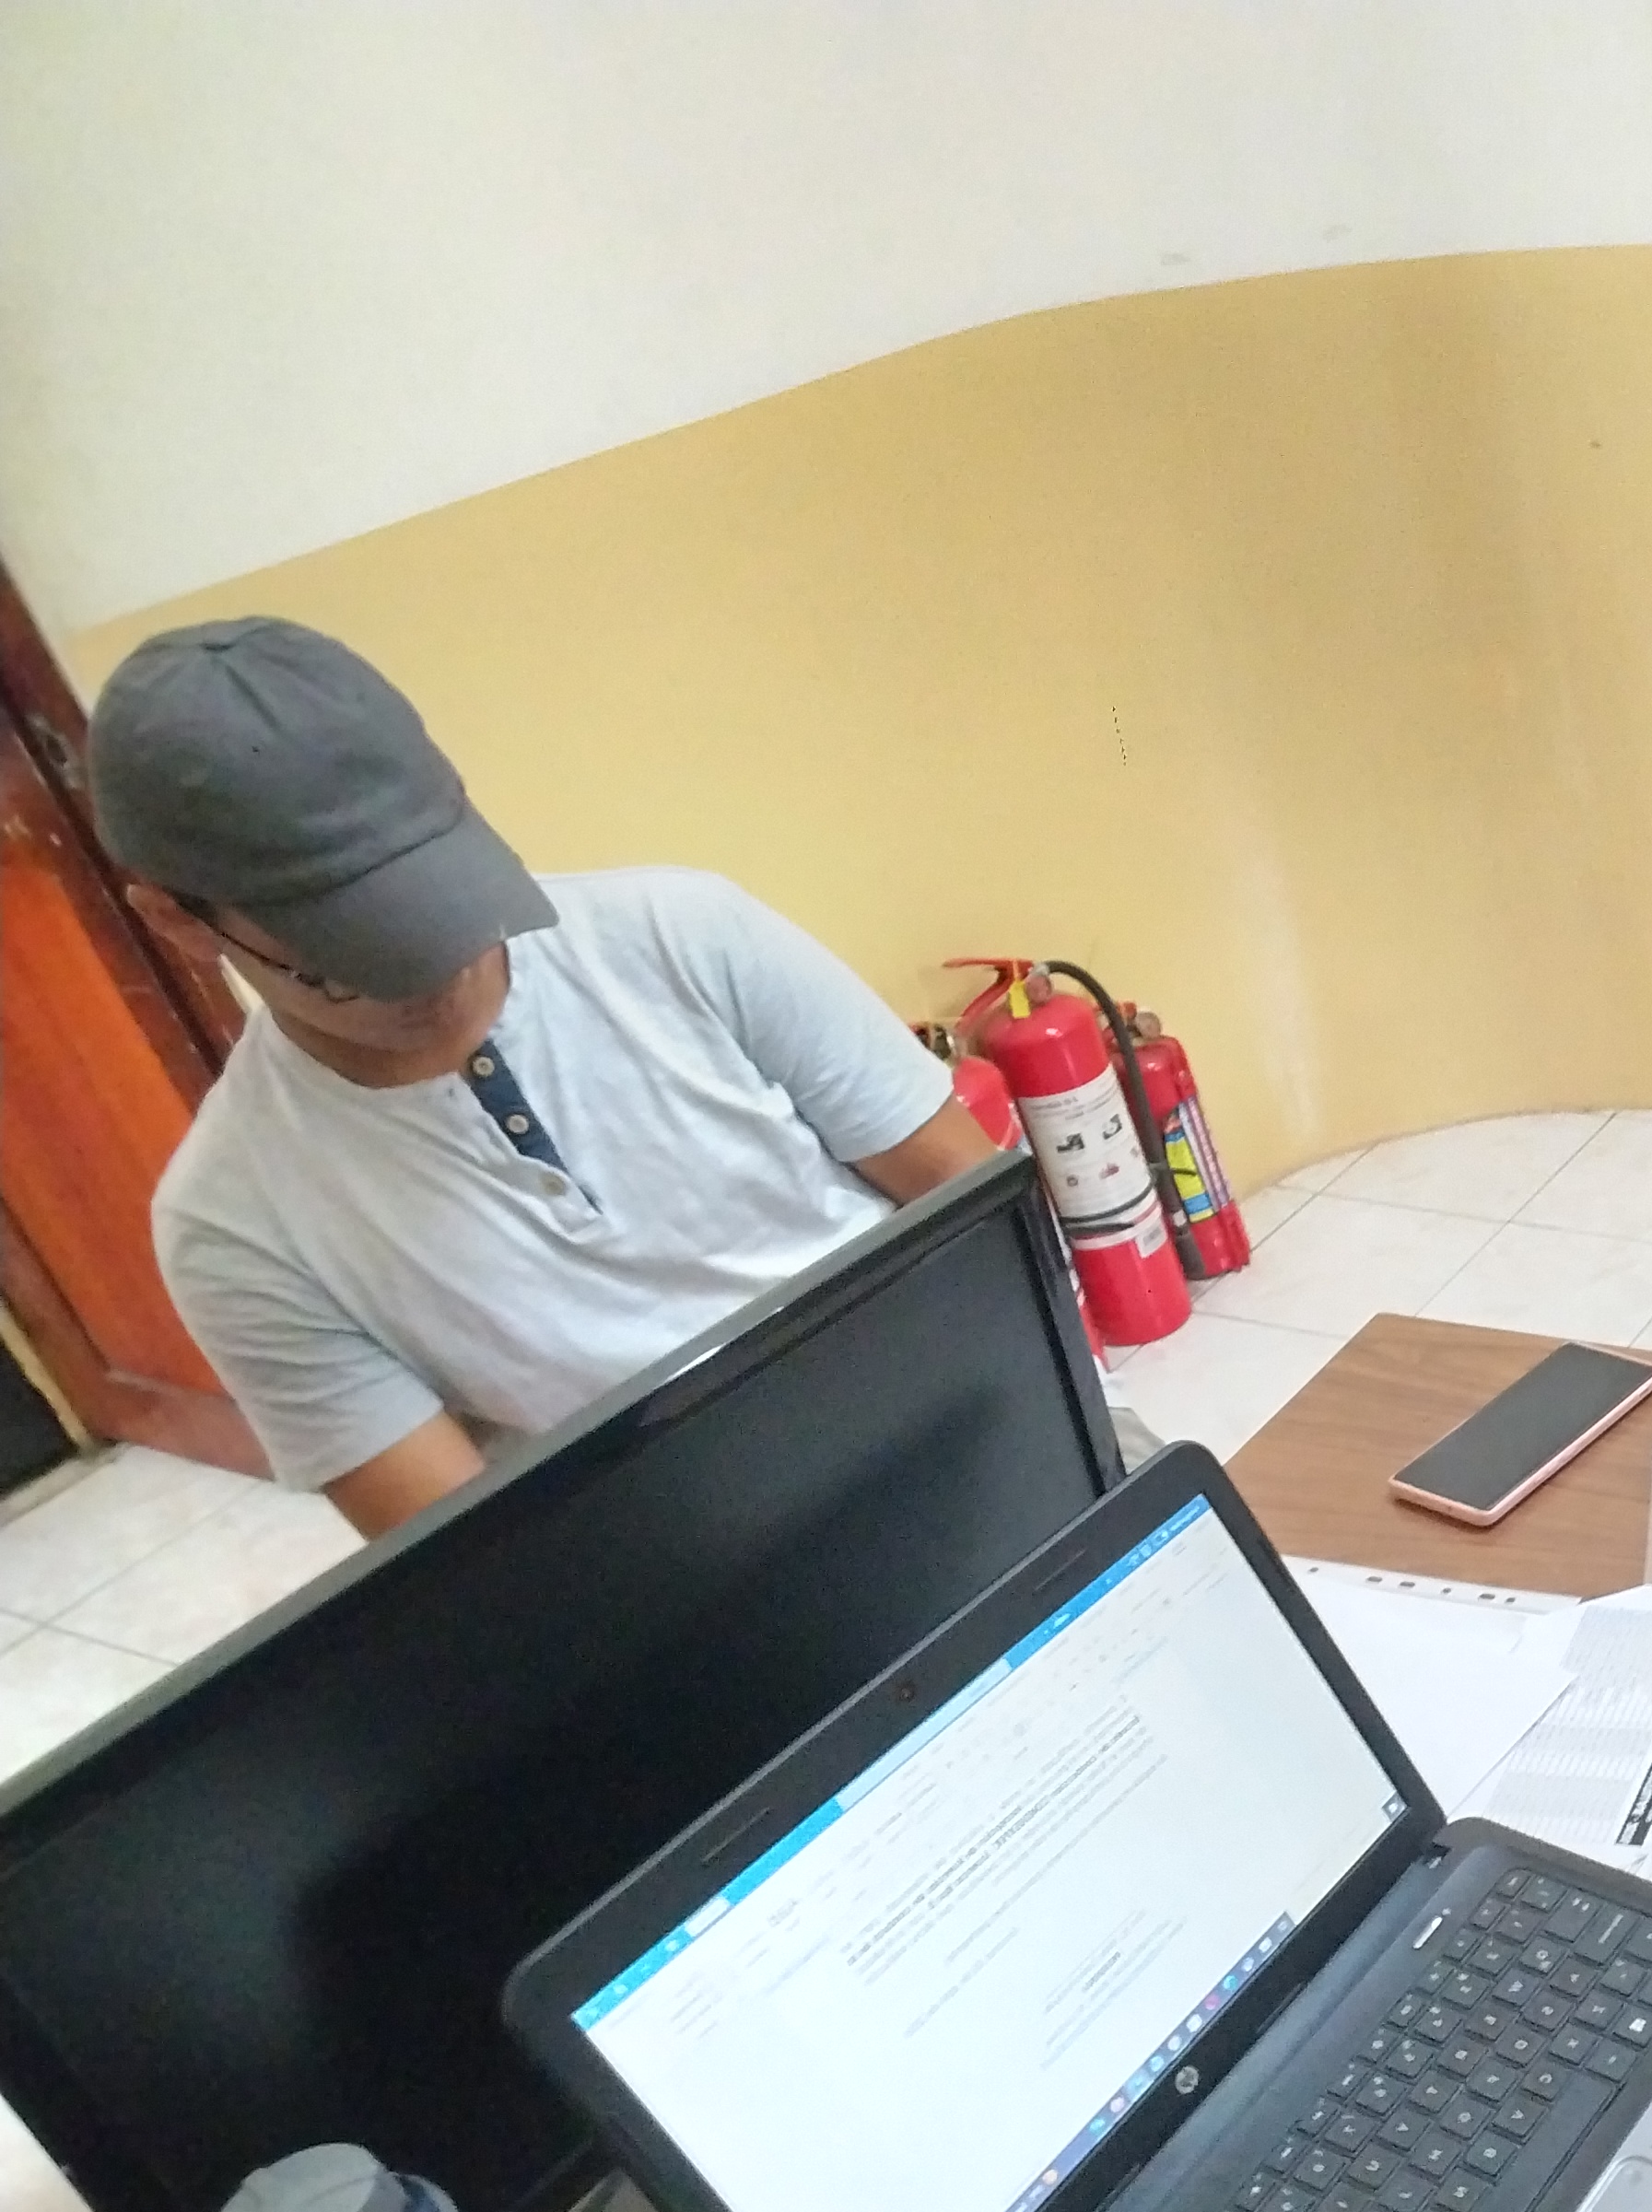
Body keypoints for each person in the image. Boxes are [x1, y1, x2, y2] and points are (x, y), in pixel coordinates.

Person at [89, 618, 997, 1536]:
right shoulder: (236, 1223)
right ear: (178, 922)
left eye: (449, 904)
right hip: (686, 1550)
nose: (440, 975)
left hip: (958, 1412)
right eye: (348, 959)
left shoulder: (684, 932)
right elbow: (482, 1554)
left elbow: (978, 1209)